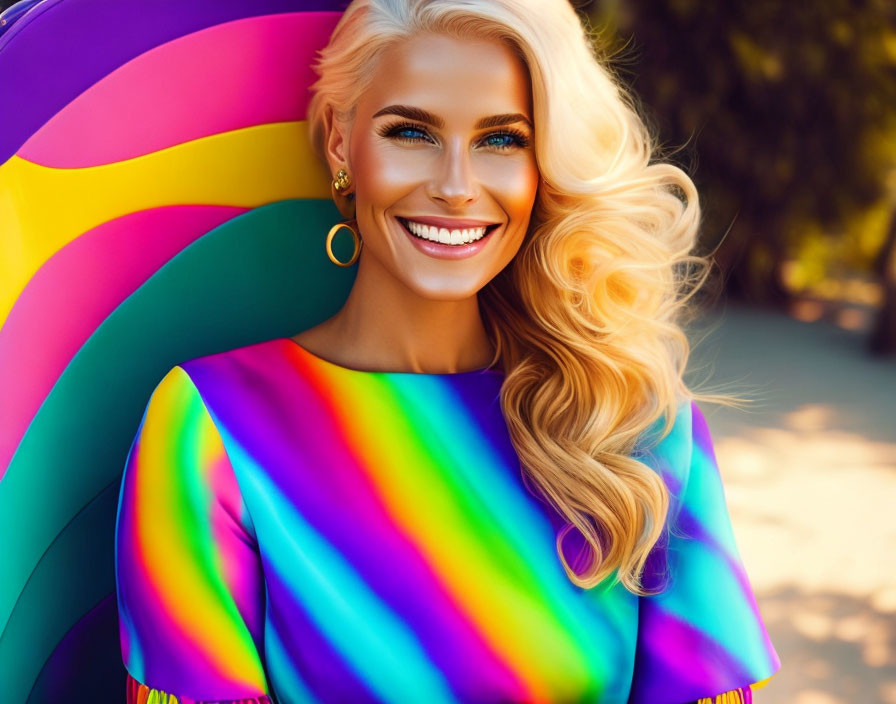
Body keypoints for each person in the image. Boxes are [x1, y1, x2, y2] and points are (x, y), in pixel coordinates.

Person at [114, 0, 781, 702]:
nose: (457, 187)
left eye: (501, 141)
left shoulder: (641, 428)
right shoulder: (210, 427)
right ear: (342, 143)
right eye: (411, 132)